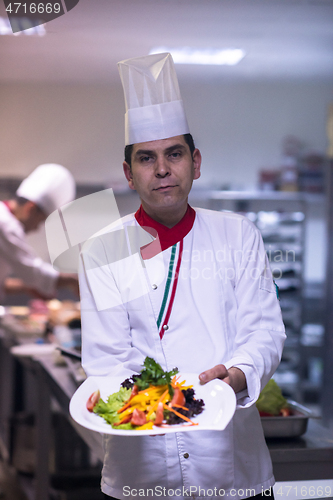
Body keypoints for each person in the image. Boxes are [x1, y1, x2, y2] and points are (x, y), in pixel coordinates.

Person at [79, 53, 286, 500]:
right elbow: (106, 360)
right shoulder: (103, 248)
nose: (161, 169)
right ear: (128, 174)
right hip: (142, 470)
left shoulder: (238, 235)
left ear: (195, 162)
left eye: (174, 154)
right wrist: (157, 407)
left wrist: (238, 374)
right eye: (146, 158)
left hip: (233, 468)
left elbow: (265, 331)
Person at [0, 163, 78, 303]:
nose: (36, 229)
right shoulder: (5, 223)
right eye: (40, 221)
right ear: (31, 209)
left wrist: (27, 287)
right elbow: (33, 273)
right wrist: (72, 280)